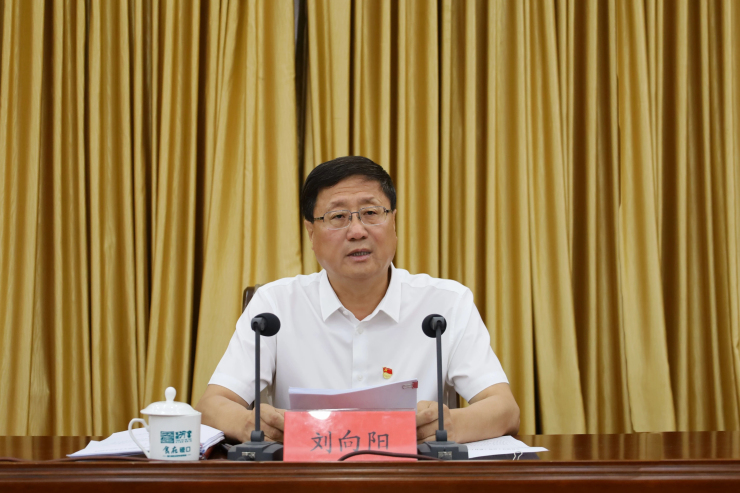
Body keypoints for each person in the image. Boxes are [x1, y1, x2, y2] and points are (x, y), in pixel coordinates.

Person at [195, 156, 520, 444]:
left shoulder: (446, 303)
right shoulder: (276, 305)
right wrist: (251, 424)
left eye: (371, 213)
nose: (357, 231)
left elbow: (504, 409)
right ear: (311, 233)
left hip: (414, 478)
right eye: (338, 217)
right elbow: (212, 405)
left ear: (393, 222)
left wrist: (451, 424)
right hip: (305, 479)